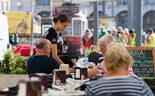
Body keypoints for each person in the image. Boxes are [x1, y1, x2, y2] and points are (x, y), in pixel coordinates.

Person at [85, 43, 154, 96]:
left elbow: (87, 74)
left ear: (105, 63)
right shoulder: (140, 86)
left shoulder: (94, 87)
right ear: (128, 63)